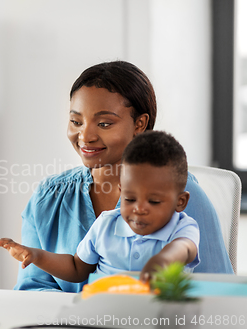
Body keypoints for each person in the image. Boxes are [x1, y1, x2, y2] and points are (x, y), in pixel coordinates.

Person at [15, 61, 233, 293]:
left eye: (104, 123)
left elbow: (217, 291)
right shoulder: (49, 196)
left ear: (139, 124)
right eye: (76, 122)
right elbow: (32, 288)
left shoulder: (178, 193)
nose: (85, 136)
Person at [0, 131, 200, 283]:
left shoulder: (182, 227)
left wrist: (163, 261)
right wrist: (37, 256)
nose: (139, 209)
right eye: (130, 199)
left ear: (180, 202)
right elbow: (77, 268)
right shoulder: (106, 224)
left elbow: (184, 248)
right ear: (122, 190)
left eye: (153, 201)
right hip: (102, 316)